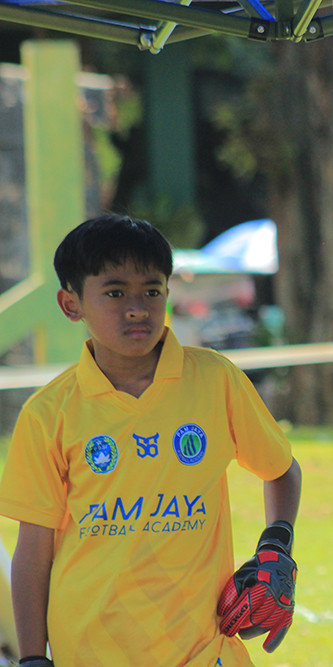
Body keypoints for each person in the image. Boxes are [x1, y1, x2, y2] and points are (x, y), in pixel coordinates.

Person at [0, 215, 302, 666]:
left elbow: (281, 470)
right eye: (115, 292)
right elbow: (33, 548)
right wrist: (30, 657)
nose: (137, 307)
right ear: (71, 303)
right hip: (87, 647)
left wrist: (276, 548)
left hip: (203, 647)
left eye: (152, 290)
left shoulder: (215, 379)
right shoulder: (49, 412)